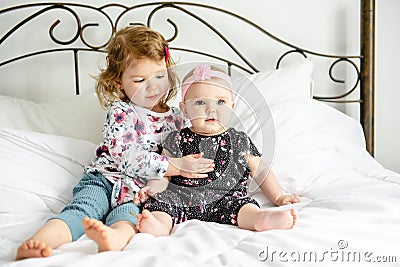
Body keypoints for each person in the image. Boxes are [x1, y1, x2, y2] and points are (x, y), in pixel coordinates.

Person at [15, 26, 214, 260]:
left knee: (128, 218)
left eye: (159, 76)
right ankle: (39, 241)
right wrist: (176, 165)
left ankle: (111, 240)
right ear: (119, 82)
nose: (153, 87)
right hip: (104, 179)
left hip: (139, 191)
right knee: (81, 209)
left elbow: (188, 148)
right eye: (140, 80)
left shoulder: (177, 119)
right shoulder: (121, 112)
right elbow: (126, 156)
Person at [135, 64, 300, 236]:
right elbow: (164, 172)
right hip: (182, 198)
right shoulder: (175, 139)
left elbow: (261, 171)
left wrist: (279, 197)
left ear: (232, 106)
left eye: (220, 102)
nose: (211, 109)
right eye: (199, 102)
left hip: (227, 199)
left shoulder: (239, 140)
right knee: (161, 204)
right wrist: (154, 188)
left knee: (245, 207)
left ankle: (261, 219)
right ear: (184, 109)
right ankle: (158, 225)